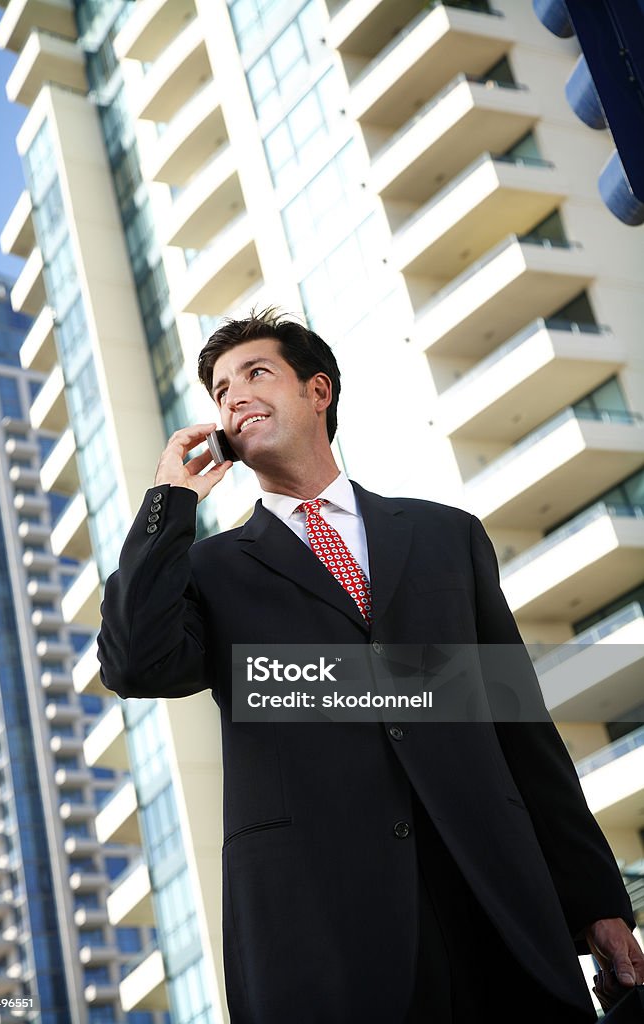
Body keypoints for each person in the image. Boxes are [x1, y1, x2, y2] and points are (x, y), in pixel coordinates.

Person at [97, 309, 642, 1023]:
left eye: (255, 373)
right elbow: (137, 664)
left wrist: (596, 903)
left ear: (317, 391)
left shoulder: (446, 536)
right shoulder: (208, 567)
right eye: (221, 389)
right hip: (322, 926)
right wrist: (168, 505)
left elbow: (518, 727)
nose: (233, 396)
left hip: (494, 902)